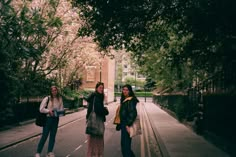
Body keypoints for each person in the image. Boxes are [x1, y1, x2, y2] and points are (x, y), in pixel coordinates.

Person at [35, 86, 64, 157]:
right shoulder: (47, 98)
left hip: (56, 119)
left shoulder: (60, 99)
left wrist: (61, 112)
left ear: (57, 91)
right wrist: (48, 111)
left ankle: (50, 152)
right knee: (44, 136)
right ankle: (38, 152)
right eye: (53, 91)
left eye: (55, 90)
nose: (54, 92)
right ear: (50, 91)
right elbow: (41, 109)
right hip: (48, 119)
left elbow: (61, 108)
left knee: (53, 136)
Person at [83, 82, 109, 157]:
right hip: (96, 122)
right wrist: (106, 111)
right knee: (97, 140)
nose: (101, 89)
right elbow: (98, 110)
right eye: (100, 87)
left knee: (93, 140)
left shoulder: (97, 96)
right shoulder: (96, 96)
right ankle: (96, 154)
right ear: (96, 88)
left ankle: (94, 154)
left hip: (93, 121)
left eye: (102, 88)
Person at [116, 84, 139, 157]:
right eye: (123, 89)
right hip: (123, 124)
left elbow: (133, 114)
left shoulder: (130, 100)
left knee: (126, 147)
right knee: (125, 146)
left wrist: (128, 125)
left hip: (126, 125)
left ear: (129, 91)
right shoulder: (124, 100)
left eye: (126, 90)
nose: (125, 91)